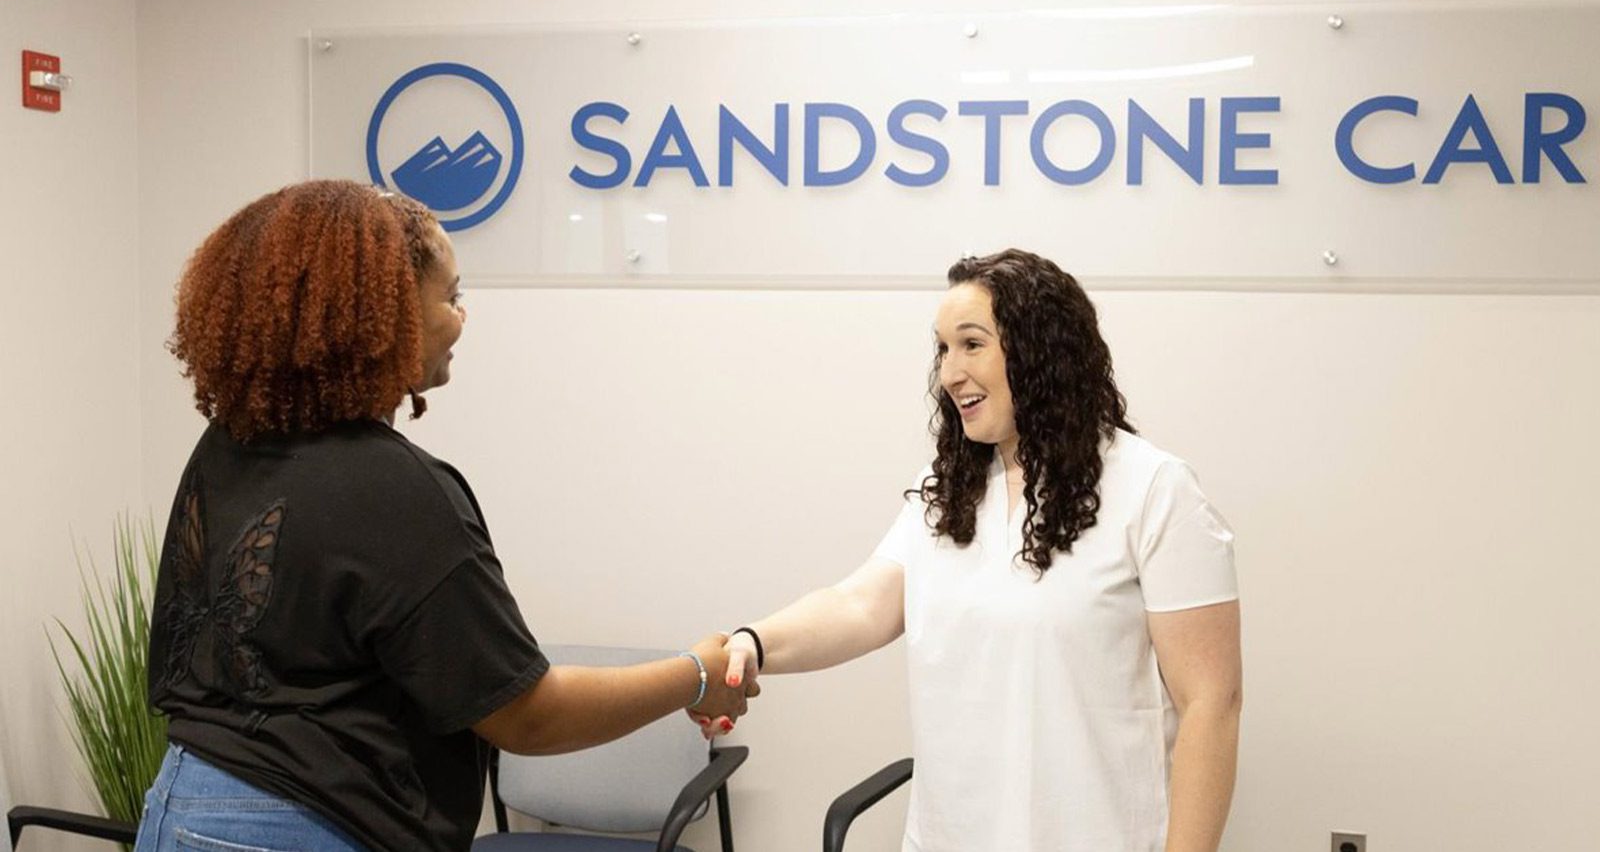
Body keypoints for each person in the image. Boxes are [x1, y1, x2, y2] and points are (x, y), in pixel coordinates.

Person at [135, 180, 750, 852]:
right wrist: (695, 673)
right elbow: (528, 717)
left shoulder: (231, 446)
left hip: (180, 807)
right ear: (378, 317)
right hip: (303, 827)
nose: (461, 319)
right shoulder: (394, 489)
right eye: (450, 298)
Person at [705, 250, 1241, 851]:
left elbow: (1211, 704)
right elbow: (860, 606)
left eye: (972, 344)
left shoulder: (1153, 489)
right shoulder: (948, 494)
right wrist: (750, 646)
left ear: (1040, 349)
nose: (950, 373)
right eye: (942, 349)